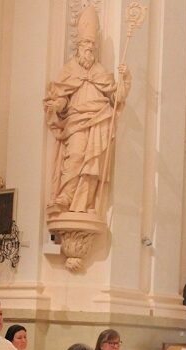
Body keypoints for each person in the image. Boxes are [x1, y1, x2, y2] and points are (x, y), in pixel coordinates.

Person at [43, 5, 131, 216]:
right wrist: (57, 105)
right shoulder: (69, 70)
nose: (89, 49)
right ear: (78, 47)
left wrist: (126, 78)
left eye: (92, 46)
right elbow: (62, 96)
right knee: (74, 156)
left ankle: (84, 202)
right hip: (75, 122)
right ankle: (65, 197)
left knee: (93, 163)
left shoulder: (101, 72)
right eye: (86, 45)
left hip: (99, 119)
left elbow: (116, 97)